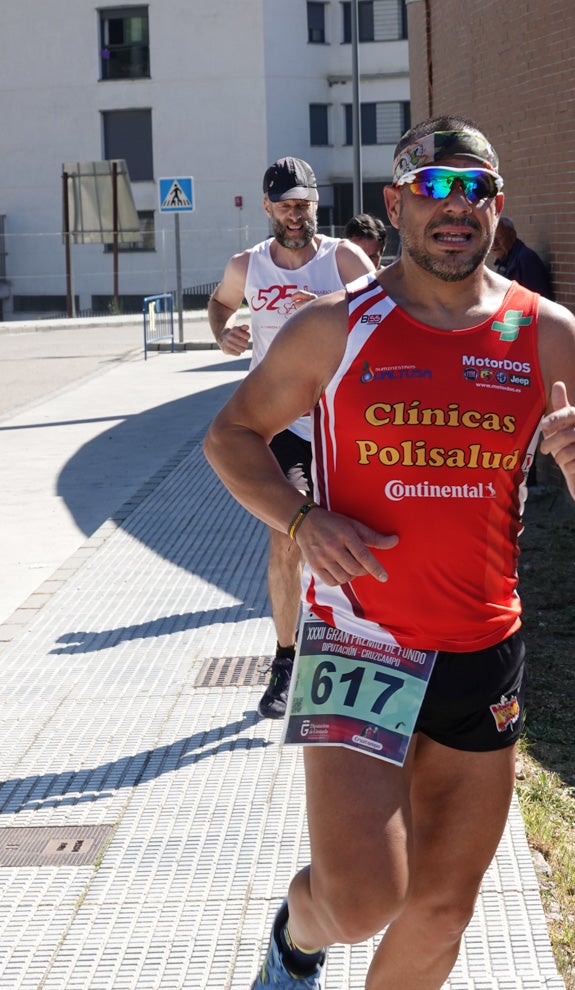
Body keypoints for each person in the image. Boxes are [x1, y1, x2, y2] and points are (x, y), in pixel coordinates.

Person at [203, 115, 575, 990]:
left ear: (495, 207)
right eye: (433, 187)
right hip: (361, 641)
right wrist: (302, 518)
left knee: (440, 907)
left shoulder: (545, 331)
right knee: (361, 898)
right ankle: (295, 936)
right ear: (396, 206)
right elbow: (232, 436)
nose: (456, 206)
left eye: (475, 188)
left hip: (482, 650)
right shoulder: (333, 327)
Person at [208, 156, 374, 718]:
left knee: (370, 528)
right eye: (286, 206)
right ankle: (286, 659)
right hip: (278, 425)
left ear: (316, 204)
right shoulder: (247, 266)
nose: (297, 216)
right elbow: (219, 302)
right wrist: (222, 333)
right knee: (288, 536)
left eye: (304, 205)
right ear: (267, 208)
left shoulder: (343, 258)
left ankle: (370, 646)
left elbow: (387, 315)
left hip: (342, 421)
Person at [490, 213, 554, 299]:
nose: (494, 244)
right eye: (491, 239)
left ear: (512, 235)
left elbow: (536, 299)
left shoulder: (526, 260)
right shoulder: (504, 261)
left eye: (499, 237)